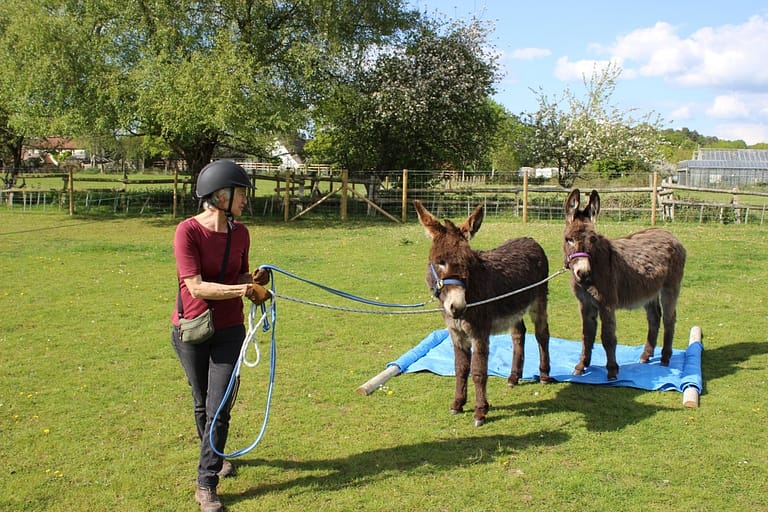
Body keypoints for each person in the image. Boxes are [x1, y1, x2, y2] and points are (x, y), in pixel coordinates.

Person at [170, 160, 269, 512]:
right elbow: (195, 287)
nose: (245, 199)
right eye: (240, 193)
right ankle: (215, 456)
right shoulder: (187, 232)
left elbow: (236, 272)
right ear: (220, 196)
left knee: (219, 407)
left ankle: (206, 483)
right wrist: (243, 288)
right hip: (192, 328)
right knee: (202, 403)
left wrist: (254, 279)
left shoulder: (240, 232)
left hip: (229, 329)